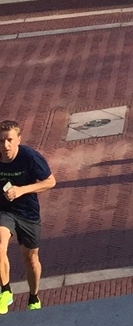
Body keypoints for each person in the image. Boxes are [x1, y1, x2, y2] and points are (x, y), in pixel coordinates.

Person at [0, 119, 56, 313]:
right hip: (4, 211)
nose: (5, 145)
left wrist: (22, 190)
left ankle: (33, 297)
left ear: (18, 139)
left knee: (31, 259)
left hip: (27, 213)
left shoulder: (30, 157)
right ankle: (5, 290)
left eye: (9, 140)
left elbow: (50, 182)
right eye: (1, 141)